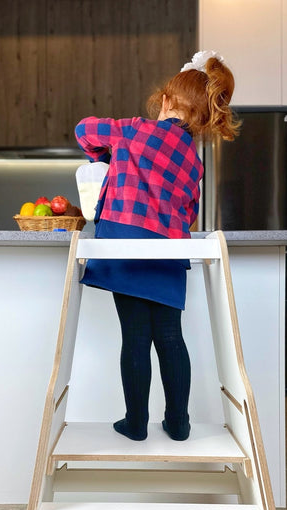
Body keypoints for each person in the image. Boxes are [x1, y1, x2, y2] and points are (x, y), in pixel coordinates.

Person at [75, 51, 240, 442]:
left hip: (125, 249)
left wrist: (108, 154)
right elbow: (190, 213)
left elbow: (84, 130)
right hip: (167, 253)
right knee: (169, 335)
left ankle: (135, 423)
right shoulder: (192, 160)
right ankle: (178, 422)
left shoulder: (133, 131)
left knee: (135, 336)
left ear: (166, 100)